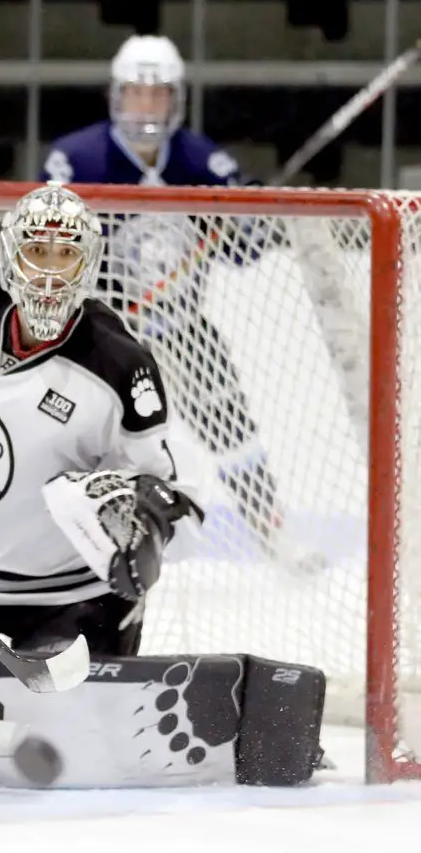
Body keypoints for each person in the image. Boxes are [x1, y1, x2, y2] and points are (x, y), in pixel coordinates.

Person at [0, 182, 204, 672]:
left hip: (67, 600)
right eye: (37, 251)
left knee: (51, 739)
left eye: (66, 255)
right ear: (9, 253)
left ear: (90, 263)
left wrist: (153, 526)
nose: (50, 273)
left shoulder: (119, 366)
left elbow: (172, 482)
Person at [41, 34, 310, 569]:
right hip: (100, 331)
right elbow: (49, 248)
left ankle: (274, 535)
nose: (146, 106)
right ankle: (67, 544)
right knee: (74, 436)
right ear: (116, 96)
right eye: (136, 94)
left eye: (157, 95)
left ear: (175, 100)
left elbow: (242, 250)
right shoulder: (76, 159)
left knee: (234, 429)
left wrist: (249, 215)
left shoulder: (203, 160)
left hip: (183, 326)